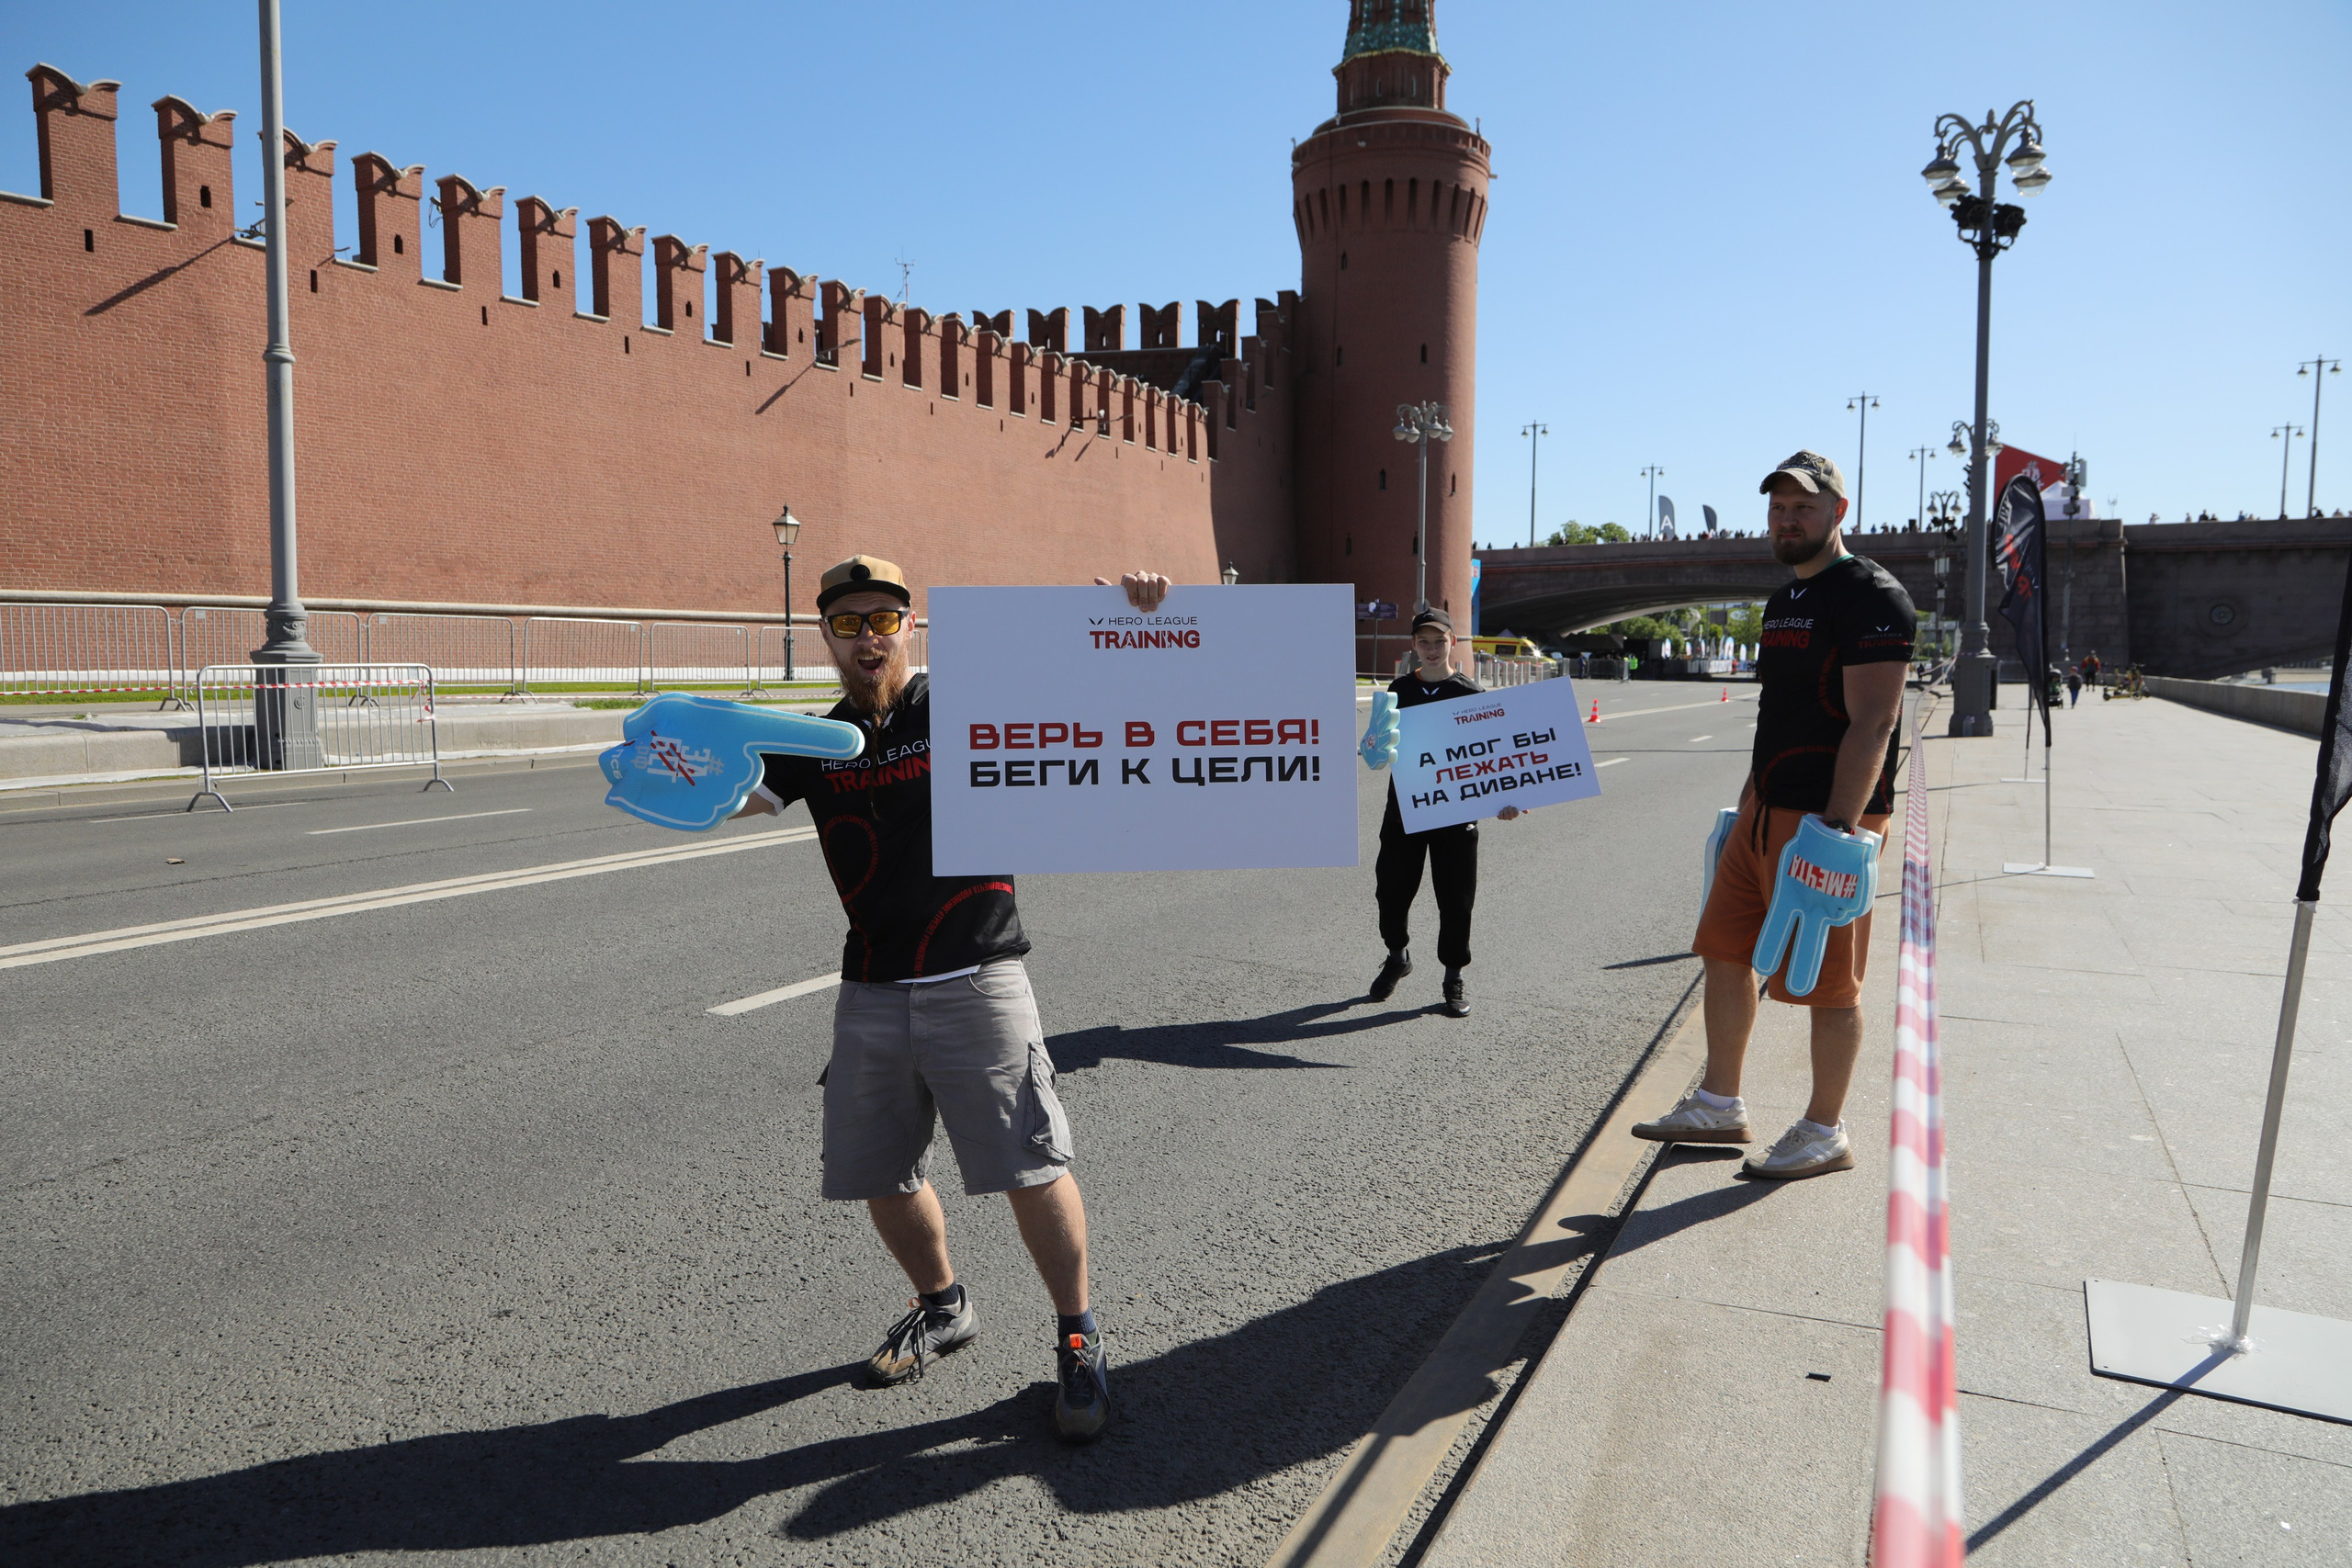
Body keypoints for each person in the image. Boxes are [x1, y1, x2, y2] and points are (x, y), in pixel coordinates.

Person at [734, 554, 1170, 1442]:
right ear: (826, 633)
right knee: (878, 1173)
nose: (868, 637)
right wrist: (666, 771)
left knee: (1030, 1163)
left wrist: (1133, 619)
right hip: (873, 985)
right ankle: (943, 1304)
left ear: (908, 627)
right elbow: (737, 801)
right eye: (848, 622)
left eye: (883, 619)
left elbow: (1096, 691)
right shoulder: (817, 743)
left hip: (979, 970)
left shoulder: (964, 700)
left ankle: (1078, 1334)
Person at [1634, 450, 1914, 1179]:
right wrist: (1751, 798)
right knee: (1723, 950)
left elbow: (1875, 721)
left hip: (1830, 816)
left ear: (1838, 513)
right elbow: (1779, 711)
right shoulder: (1786, 598)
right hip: (1765, 807)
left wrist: (1836, 826)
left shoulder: (1872, 594)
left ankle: (1825, 1128)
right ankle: (1719, 1102)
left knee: (1830, 980)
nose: (1787, 520)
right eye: (1778, 509)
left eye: (1804, 508)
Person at [1368, 607, 1520, 1018]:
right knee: (1391, 892)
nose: (1432, 649)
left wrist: (1505, 801)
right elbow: (1378, 755)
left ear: (1452, 642)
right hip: (1405, 812)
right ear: (1414, 646)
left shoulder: (1472, 696)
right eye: (1424, 642)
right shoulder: (1398, 689)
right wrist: (1371, 749)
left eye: (1439, 641)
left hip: (1456, 817)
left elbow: (1495, 758)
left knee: (1455, 899)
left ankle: (1453, 974)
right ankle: (1397, 956)